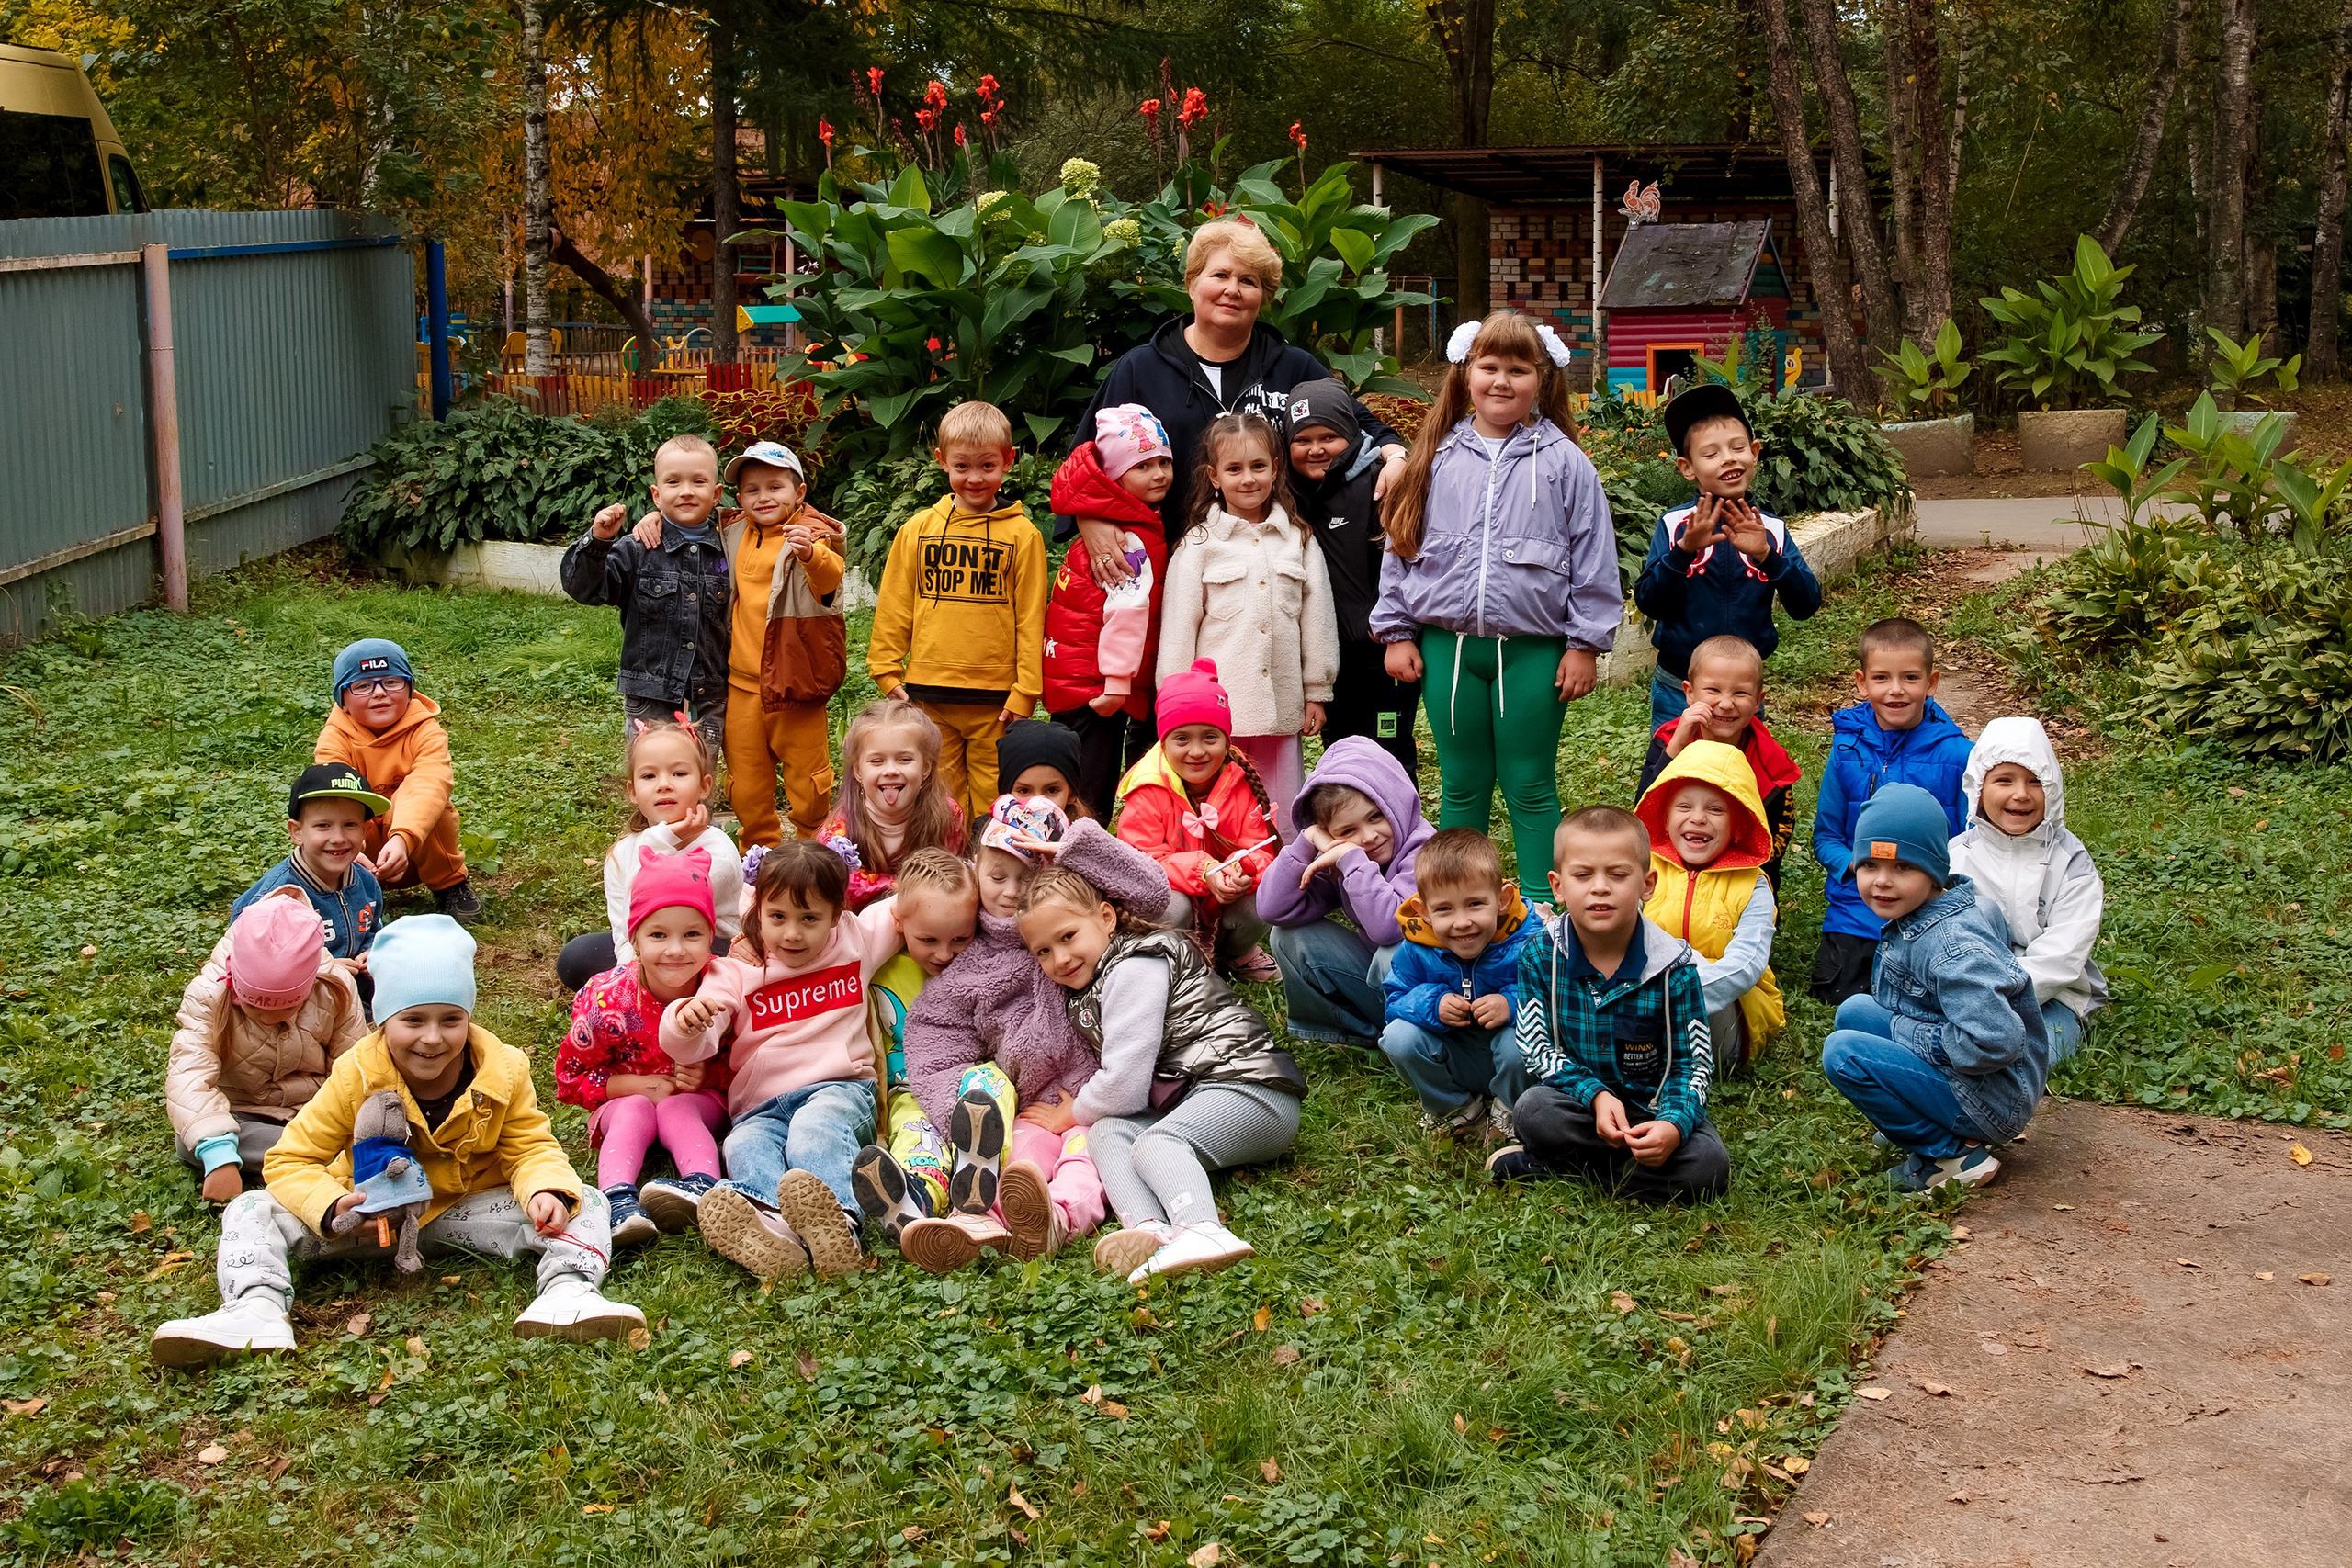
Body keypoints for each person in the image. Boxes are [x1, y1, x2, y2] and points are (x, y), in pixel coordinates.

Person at [150, 915, 642, 1364]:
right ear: (384, 1020)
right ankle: (254, 1307)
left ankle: (569, 1293)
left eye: (450, 1019)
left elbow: (530, 1147)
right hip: (369, 1222)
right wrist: (332, 1206)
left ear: (468, 1017)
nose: (432, 1038)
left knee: (586, 1200)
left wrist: (543, 1191)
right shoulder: (355, 1073)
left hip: (463, 1212)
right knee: (251, 1209)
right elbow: (289, 1160)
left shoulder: (504, 1069)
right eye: (413, 1020)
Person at [1370, 310, 1621, 912]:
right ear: (1466, 373)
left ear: (1544, 379)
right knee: (1460, 782)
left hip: (1532, 653)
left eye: (1518, 369)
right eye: (1489, 367)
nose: (1502, 381)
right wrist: (1396, 631)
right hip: (1447, 647)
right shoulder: (1435, 454)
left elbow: (1594, 556)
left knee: (1530, 781)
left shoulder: (1565, 464)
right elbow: (1400, 545)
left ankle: (1540, 909)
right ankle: (1462, 903)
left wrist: (1584, 643)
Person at [887, 794, 1167, 1274]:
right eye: (998, 876)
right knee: (1022, 1165)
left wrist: (1074, 851)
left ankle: (1056, 1220)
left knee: (1086, 1161)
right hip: (1033, 1104)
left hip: (1103, 1095)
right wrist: (960, 1106)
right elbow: (935, 1040)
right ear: (976, 870)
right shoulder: (970, 962)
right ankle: (977, 1221)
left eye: (1029, 877)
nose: (1012, 891)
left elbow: (1153, 894)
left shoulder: (1078, 926)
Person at [1018, 866, 1307, 1284]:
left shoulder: (1136, 965)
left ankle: (1203, 1230)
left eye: (1067, 937)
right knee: (1107, 1133)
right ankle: (1150, 1231)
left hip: (1252, 1090)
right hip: (1198, 1096)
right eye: (1043, 951)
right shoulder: (1095, 982)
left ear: (1105, 917)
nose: (1059, 958)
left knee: (1157, 1140)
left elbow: (1125, 1083)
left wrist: (1073, 1113)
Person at [1064, 218, 1406, 569]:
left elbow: (1362, 426)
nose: (1233, 289)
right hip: (1167, 566)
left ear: (1264, 297)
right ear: (1191, 283)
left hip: (1281, 566)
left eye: (1248, 281)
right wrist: (1089, 518)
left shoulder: (1294, 368)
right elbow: (1082, 463)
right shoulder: (1141, 369)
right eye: (1220, 275)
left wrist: (1395, 456)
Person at [660, 840, 906, 1281]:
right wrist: (685, 1022)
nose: (792, 933)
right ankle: (777, 1229)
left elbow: (915, 901)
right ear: (757, 911)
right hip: (760, 1105)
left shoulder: (857, 939)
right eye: (778, 917)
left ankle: (841, 1225)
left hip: (840, 1088)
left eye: (809, 918)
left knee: (813, 1132)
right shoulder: (735, 969)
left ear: (837, 914)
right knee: (741, 1145)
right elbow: (696, 1043)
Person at [1488, 807, 1728, 1203]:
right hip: (1580, 1106)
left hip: (1652, 1111)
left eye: (1618, 875)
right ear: (1558, 886)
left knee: (1709, 1165)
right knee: (1534, 1109)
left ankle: (1561, 1169)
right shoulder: (1539, 955)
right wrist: (1595, 1095)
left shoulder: (1674, 968)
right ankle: (1625, 1177)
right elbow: (1536, 1046)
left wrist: (1672, 1124)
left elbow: (1694, 1064)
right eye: (1583, 875)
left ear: (1647, 884)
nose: (1600, 888)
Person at [1820, 784, 2053, 1191]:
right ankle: (1922, 1114)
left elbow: (1996, 1040)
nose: (1882, 882)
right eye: (1869, 866)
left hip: (1993, 1098)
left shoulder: (1951, 946)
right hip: (1979, 1078)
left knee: (1843, 1054)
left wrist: (1907, 1034)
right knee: (1853, 1012)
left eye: (1903, 868)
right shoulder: (1941, 908)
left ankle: (1953, 1155)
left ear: (1934, 872)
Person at [1155, 410, 1339, 831]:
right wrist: (1175, 704)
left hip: (1282, 704)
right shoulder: (1199, 545)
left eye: (1258, 466)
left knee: (1283, 811)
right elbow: (1179, 631)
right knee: (1220, 811)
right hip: (1215, 715)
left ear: (1276, 469)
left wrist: (1317, 689)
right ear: (1214, 476)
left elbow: (1318, 621)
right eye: (1234, 469)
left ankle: (1281, 889)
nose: (1248, 479)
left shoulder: (1299, 539)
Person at [866, 400, 1049, 822]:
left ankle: (992, 873)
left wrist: (1026, 690)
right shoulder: (918, 530)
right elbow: (896, 602)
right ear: (941, 462)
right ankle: (948, 878)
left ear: (1008, 461)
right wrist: (884, 667)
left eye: (987, 465)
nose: (974, 478)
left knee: (995, 799)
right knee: (941, 799)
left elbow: (1031, 618)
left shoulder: (1023, 536)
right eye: (962, 466)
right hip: (929, 693)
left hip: (995, 699)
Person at [557, 846, 732, 1247]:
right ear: (634, 938)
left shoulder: (723, 989)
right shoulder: (605, 1001)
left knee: (677, 1105)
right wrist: (635, 1086)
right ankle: (617, 1201)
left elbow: (747, 1061)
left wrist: (709, 1073)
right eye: (658, 935)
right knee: (637, 1109)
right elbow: (570, 1078)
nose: (675, 950)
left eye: (692, 934)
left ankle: (704, 1189)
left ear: (711, 937)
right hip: (622, 1106)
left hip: (698, 1102)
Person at [1633, 382, 1823, 732]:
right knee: (1673, 772)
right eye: (1711, 454)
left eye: (1738, 448)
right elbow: (1649, 602)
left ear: (1754, 452)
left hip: (1742, 695)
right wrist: (1683, 551)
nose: (1729, 458)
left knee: (1741, 777)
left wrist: (1768, 555)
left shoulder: (1772, 530)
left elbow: (1806, 604)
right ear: (1687, 468)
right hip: (1680, 688)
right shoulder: (1676, 526)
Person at [1809, 618, 1973, 1004]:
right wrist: (1858, 868)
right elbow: (1826, 837)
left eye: (1910, 678)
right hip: (1858, 908)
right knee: (1839, 996)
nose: (1896, 690)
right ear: (1862, 682)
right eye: (1881, 678)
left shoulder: (1959, 756)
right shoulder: (1847, 751)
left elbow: (1970, 843)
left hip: (1929, 908)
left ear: (1931, 683)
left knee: (1926, 996)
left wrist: (1929, 884)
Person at [168, 893, 367, 1201]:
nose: (268, 1019)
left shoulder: (335, 988)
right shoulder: (209, 994)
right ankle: (317, 1160)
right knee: (191, 1141)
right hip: (244, 1112)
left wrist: (346, 1122)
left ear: (311, 984)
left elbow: (354, 1066)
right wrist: (218, 1151)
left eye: (289, 1008)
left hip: (315, 1110)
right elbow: (189, 1074)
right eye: (253, 1007)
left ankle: (311, 1157)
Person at [560, 433, 733, 755]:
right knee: (654, 773)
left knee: (699, 776)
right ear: (656, 494)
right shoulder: (638, 549)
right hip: (650, 694)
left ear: (716, 493)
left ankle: (698, 810)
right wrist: (599, 540)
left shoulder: (731, 546)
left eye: (698, 482)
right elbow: (585, 590)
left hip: (709, 693)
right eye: (673, 482)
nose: (686, 491)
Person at [1283, 376, 1420, 778]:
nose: (1316, 449)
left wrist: (1401, 634)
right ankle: (1346, 837)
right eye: (1302, 440)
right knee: (1339, 752)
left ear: (1351, 433)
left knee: (1388, 754)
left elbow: (1411, 567)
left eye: (1329, 436)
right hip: (1329, 656)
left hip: (1380, 654)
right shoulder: (1287, 493)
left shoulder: (1380, 483)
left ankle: (1399, 838)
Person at [1259, 737, 1436, 1047]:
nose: (1369, 837)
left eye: (1375, 817)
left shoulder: (1425, 849)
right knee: (1286, 936)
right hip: (1384, 982)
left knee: (1392, 952)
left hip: (1434, 994)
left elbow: (1390, 928)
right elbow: (1273, 909)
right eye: (1348, 831)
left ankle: (1417, 1040)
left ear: (1393, 801)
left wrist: (1351, 858)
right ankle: (1353, 1030)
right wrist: (1306, 842)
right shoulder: (1341, 856)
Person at [1043, 405, 1176, 818]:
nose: (1158, 475)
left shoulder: (1113, 519)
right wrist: (1118, 683)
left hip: (1075, 673)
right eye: (1143, 466)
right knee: (1088, 790)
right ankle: (1083, 864)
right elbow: (1126, 611)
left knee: (1076, 776)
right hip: (1099, 685)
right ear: (1115, 477)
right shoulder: (1131, 538)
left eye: (1164, 463)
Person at [1950, 716, 2106, 1062]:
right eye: (2004, 780)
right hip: (1973, 994)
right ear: (1978, 788)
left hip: (2052, 998)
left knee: (2036, 1054)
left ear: (2052, 790)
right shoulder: (1957, 857)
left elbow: (2064, 951)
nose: (2020, 794)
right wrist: (1969, 995)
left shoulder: (2070, 862)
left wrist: (2002, 995)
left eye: (2035, 782)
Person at [1115, 660, 1282, 980]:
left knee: (1264, 895)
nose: (1196, 751)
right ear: (1163, 742)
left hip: (1221, 903)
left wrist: (1241, 871)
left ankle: (1233, 954)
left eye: (1209, 737)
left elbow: (1260, 849)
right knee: (1169, 904)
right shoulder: (1147, 790)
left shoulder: (1241, 780)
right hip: (1177, 900)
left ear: (1226, 740)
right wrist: (1204, 870)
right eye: (1182, 739)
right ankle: (1176, 956)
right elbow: (1139, 862)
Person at [852, 849, 983, 1249]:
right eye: (928, 940)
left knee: (987, 1104)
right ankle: (918, 1196)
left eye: (960, 938)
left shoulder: (980, 966)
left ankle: (983, 1176)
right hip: (909, 1089)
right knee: (916, 1134)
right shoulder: (880, 965)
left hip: (968, 1080)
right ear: (898, 922)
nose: (944, 954)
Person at [555, 719, 744, 993]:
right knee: (578, 957)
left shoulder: (717, 849)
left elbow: (656, 896)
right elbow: (625, 925)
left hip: (707, 949)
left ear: (704, 786)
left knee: (700, 960)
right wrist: (629, 979)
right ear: (632, 791)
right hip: (650, 949)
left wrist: (662, 840)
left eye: (679, 774)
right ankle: (648, 993)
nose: (664, 785)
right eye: (649, 776)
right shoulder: (623, 852)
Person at [1635, 740, 1785, 1072]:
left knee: (1707, 1001)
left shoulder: (1754, 885)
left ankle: (1667, 1063)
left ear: (1739, 825)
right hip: (1647, 997)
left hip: (1722, 1011)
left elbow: (1747, 964)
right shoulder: (1645, 872)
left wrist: (1680, 994)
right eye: (1684, 807)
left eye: (1716, 810)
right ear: (1664, 815)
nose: (1698, 819)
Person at [1378, 829, 1537, 1137]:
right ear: (1423, 912)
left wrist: (1511, 1003)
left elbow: (1557, 1000)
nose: (1462, 922)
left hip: (1514, 1060)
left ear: (1502, 900)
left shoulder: (1530, 942)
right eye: (1444, 909)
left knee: (1519, 1041)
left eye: (1475, 904)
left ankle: (1509, 1109)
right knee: (1398, 1037)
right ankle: (1456, 1109)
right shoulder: (1417, 948)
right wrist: (1433, 1003)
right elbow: (1394, 1000)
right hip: (1455, 1054)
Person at [315, 638, 479, 922]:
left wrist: (403, 838)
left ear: (410, 689)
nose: (379, 693)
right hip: (358, 857)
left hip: (414, 849)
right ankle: (342, 895)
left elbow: (430, 781)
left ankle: (450, 884)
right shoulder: (334, 739)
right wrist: (350, 851)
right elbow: (335, 798)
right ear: (344, 701)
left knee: (429, 801)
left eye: (392, 682)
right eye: (363, 686)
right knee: (326, 815)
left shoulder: (426, 730)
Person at [1632, 635, 1802, 889]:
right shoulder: (1669, 740)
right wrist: (1675, 747)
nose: (1725, 703)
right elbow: (1643, 808)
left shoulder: (1771, 762)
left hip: (1740, 877)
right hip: (1673, 871)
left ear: (1758, 700)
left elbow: (1778, 833)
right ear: (1689, 692)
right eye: (1713, 690)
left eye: (1741, 693)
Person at [230, 763, 390, 969]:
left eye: (350, 824)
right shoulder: (277, 896)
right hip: (298, 996)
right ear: (297, 832)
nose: (338, 838)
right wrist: (318, 970)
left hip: (357, 988)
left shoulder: (366, 882)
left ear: (365, 830)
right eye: (323, 826)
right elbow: (248, 962)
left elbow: (372, 930)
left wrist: (371, 950)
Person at [818, 696, 968, 911]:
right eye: (877, 761)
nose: (890, 770)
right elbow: (845, 887)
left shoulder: (946, 815)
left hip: (929, 920)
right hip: (859, 929)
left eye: (904, 759)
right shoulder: (839, 830)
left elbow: (950, 879)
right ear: (858, 771)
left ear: (925, 767)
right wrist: (910, 888)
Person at [994, 716, 1092, 821]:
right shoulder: (987, 833)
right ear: (1006, 796)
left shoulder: (1084, 836)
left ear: (1071, 794)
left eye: (1052, 790)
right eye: (1024, 790)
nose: (1038, 805)